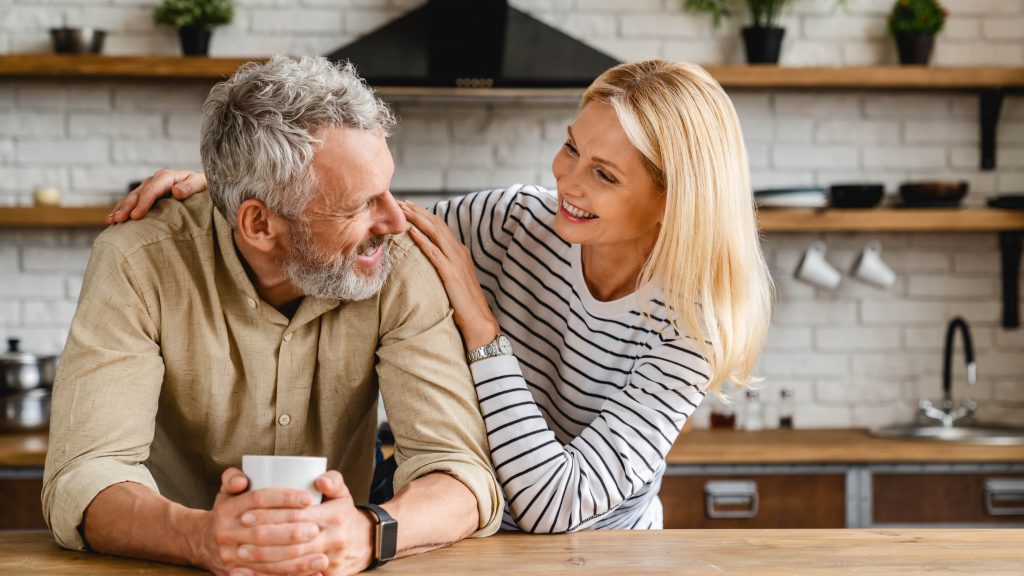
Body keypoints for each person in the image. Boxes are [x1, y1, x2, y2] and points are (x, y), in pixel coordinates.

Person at [112, 59, 773, 533]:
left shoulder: (693, 325)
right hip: (459, 533)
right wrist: (237, 187)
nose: (565, 180)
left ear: (672, 202)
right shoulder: (516, 220)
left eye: (602, 174)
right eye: (570, 148)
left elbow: (558, 504)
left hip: (597, 552)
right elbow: (353, 222)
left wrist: (482, 328)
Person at [43, 55, 502, 576]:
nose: (395, 219)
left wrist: (371, 533)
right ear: (258, 224)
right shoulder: (138, 261)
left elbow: (461, 475)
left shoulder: (397, 263)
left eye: (388, 188)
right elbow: (83, 477)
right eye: (359, 204)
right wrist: (198, 538)